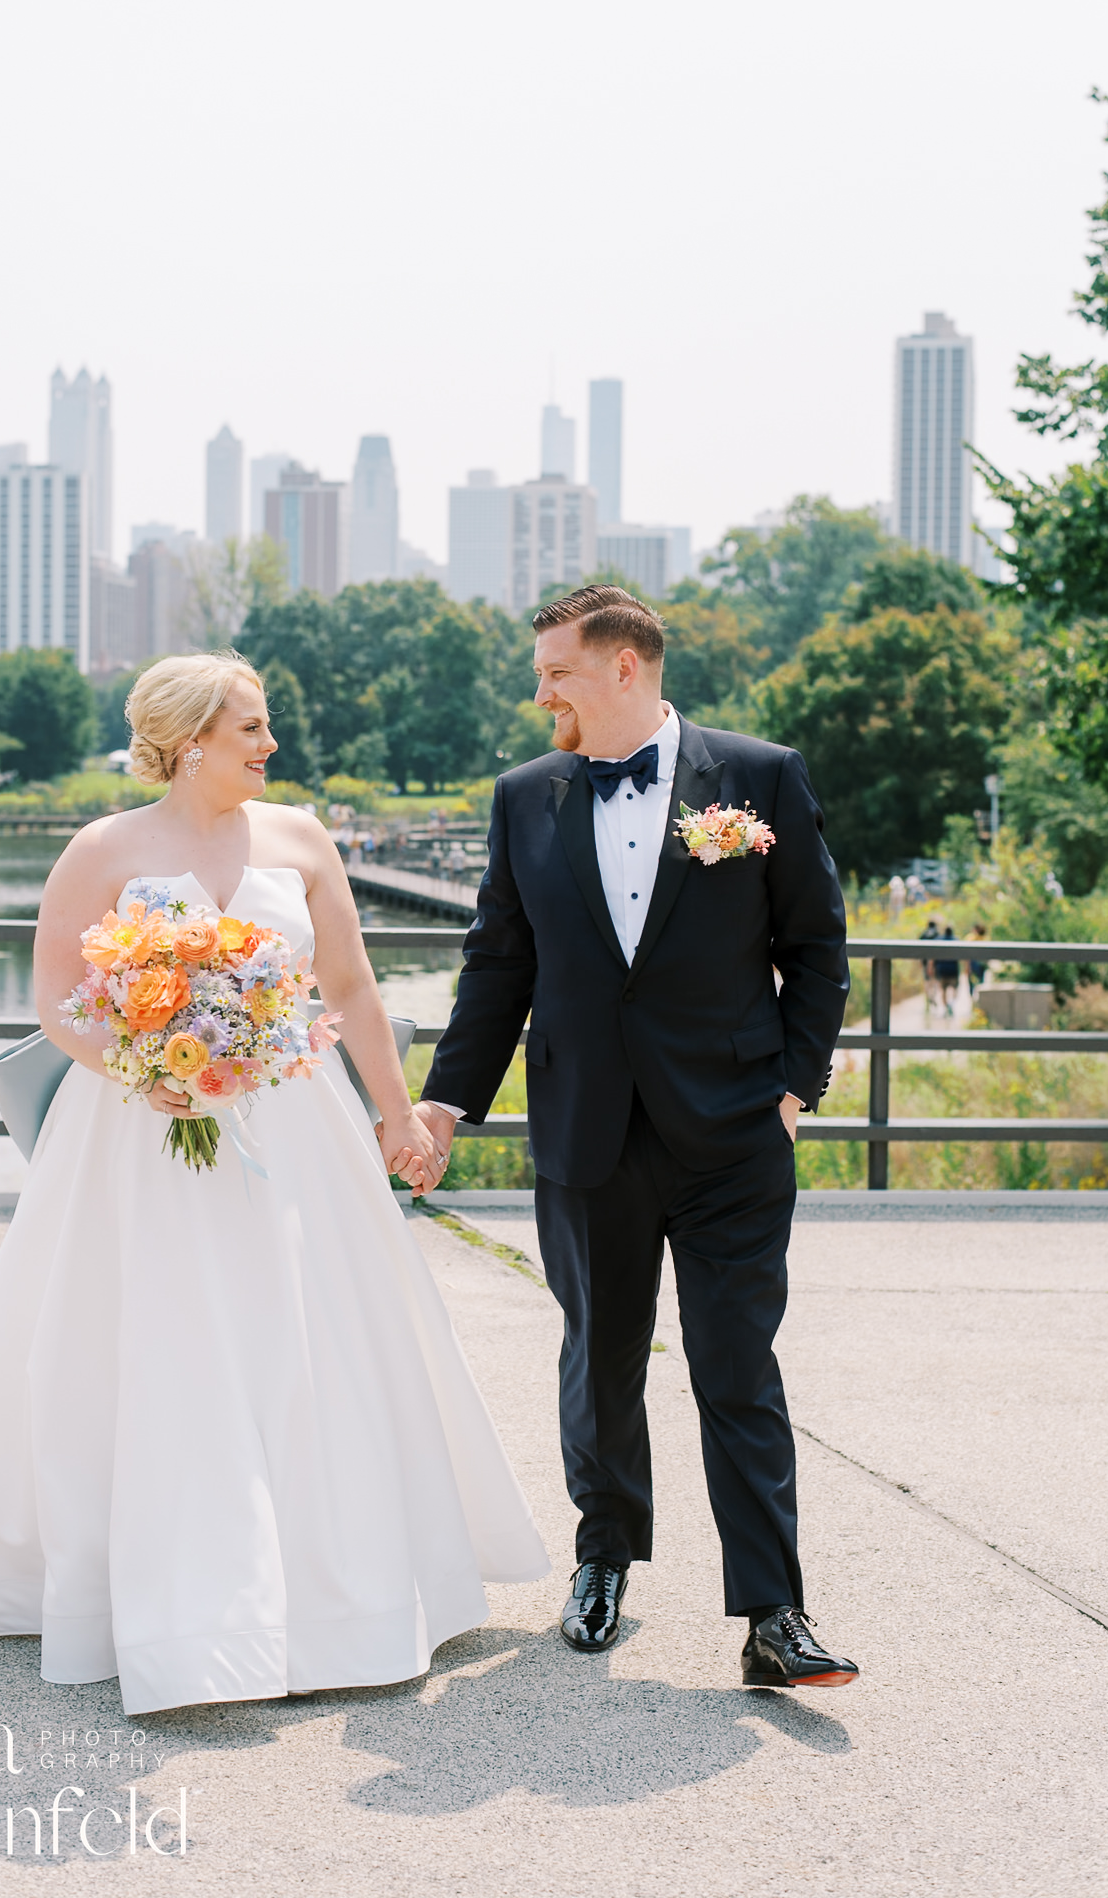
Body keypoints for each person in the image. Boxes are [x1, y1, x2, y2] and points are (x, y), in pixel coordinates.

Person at [0, 651, 548, 1714]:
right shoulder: (106, 847)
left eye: (265, 727)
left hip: (296, 1124)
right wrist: (140, 1063)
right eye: (251, 729)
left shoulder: (300, 837)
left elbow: (352, 985)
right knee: (166, 1339)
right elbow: (57, 998)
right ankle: (177, 1601)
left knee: (308, 1338)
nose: (270, 745)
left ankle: (328, 1592)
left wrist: (394, 1108)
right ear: (189, 741)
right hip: (144, 1128)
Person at [408, 586, 858, 1690]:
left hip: (732, 1133)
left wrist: (793, 1085)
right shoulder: (523, 797)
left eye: (555, 669)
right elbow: (496, 965)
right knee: (600, 1358)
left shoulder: (756, 775)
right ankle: (601, 1555)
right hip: (583, 1129)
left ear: (624, 669)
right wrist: (443, 1102)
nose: (540, 690)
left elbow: (815, 939)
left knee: (735, 1367)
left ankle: (773, 1611)